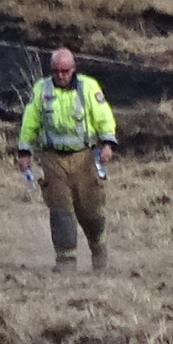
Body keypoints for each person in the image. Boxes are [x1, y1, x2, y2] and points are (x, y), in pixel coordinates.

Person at [13, 50, 116, 273]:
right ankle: (66, 262)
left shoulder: (88, 88)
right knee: (60, 211)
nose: (60, 76)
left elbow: (103, 117)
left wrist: (107, 144)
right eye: (56, 71)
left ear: (73, 69)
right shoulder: (42, 89)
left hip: (84, 158)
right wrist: (25, 152)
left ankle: (99, 251)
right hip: (52, 159)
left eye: (65, 71)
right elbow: (30, 121)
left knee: (90, 211)